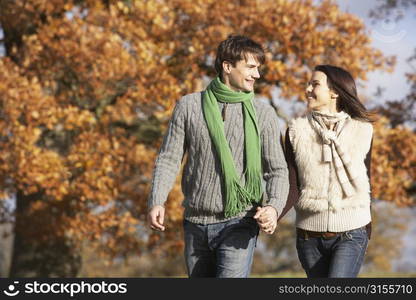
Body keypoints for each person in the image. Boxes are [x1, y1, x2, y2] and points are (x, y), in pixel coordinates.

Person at [147, 35, 289, 278]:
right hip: (195, 222)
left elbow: (277, 170)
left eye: (258, 68)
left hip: (240, 220)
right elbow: (169, 158)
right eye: (251, 67)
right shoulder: (189, 106)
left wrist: (273, 208)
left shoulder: (263, 113)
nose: (257, 75)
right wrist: (157, 199)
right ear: (227, 66)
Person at [283, 64, 374, 278]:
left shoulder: (363, 129)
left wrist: (367, 228)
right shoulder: (295, 131)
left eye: (314, 84)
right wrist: (272, 213)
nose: (307, 89)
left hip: (352, 234)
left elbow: (366, 179)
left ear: (334, 92)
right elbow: (291, 185)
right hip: (308, 238)